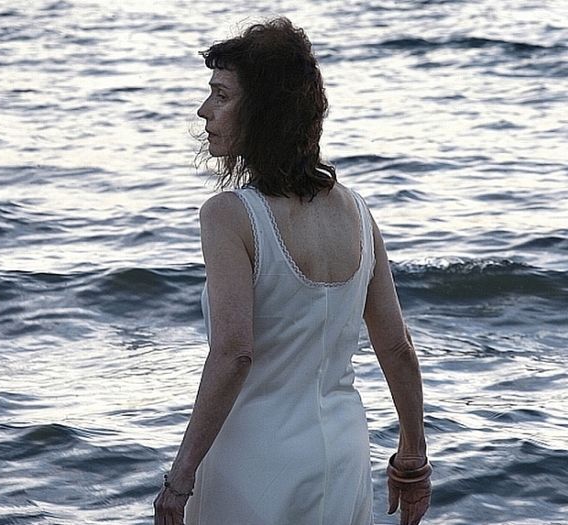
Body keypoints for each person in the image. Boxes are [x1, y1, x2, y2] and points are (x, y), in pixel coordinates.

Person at [154, 17, 431, 525]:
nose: (204, 110)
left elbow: (234, 353)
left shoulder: (229, 216)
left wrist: (180, 478)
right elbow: (396, 347)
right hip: (343, 457)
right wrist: (412, 458)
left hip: (253, 461)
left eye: (221, 95)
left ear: (263, 113)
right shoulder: (359, 213)